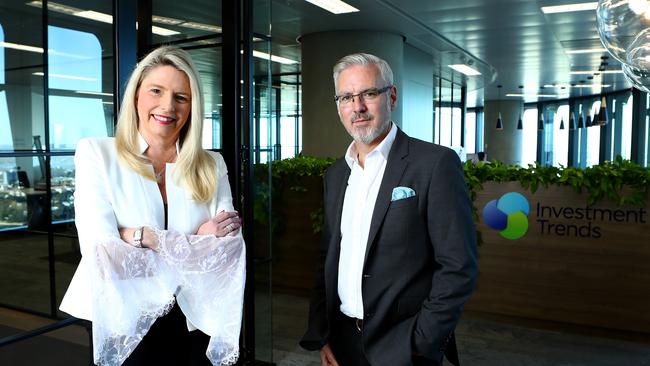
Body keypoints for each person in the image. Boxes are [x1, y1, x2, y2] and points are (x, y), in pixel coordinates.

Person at [60, 46, 245, 366]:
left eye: (181, 97)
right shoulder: (97, 155)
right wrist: (196, 240)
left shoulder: (211, 164)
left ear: (192, 107)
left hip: (194, 317)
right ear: (136, 97)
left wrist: (141, 236)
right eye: (156, 91)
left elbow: (226, 254)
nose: (167, 105)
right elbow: (103, 255)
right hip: (125, 317)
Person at [300, 53, 478, 366]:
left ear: (391, 96)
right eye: (346, 97)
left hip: (402, 346)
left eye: (368, 93)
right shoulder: (336, 174)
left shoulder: (434, 164)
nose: (357, 107)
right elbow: (327, 261)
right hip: (342, 341)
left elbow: (458, 266)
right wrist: (323, 332)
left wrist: (420, 343)